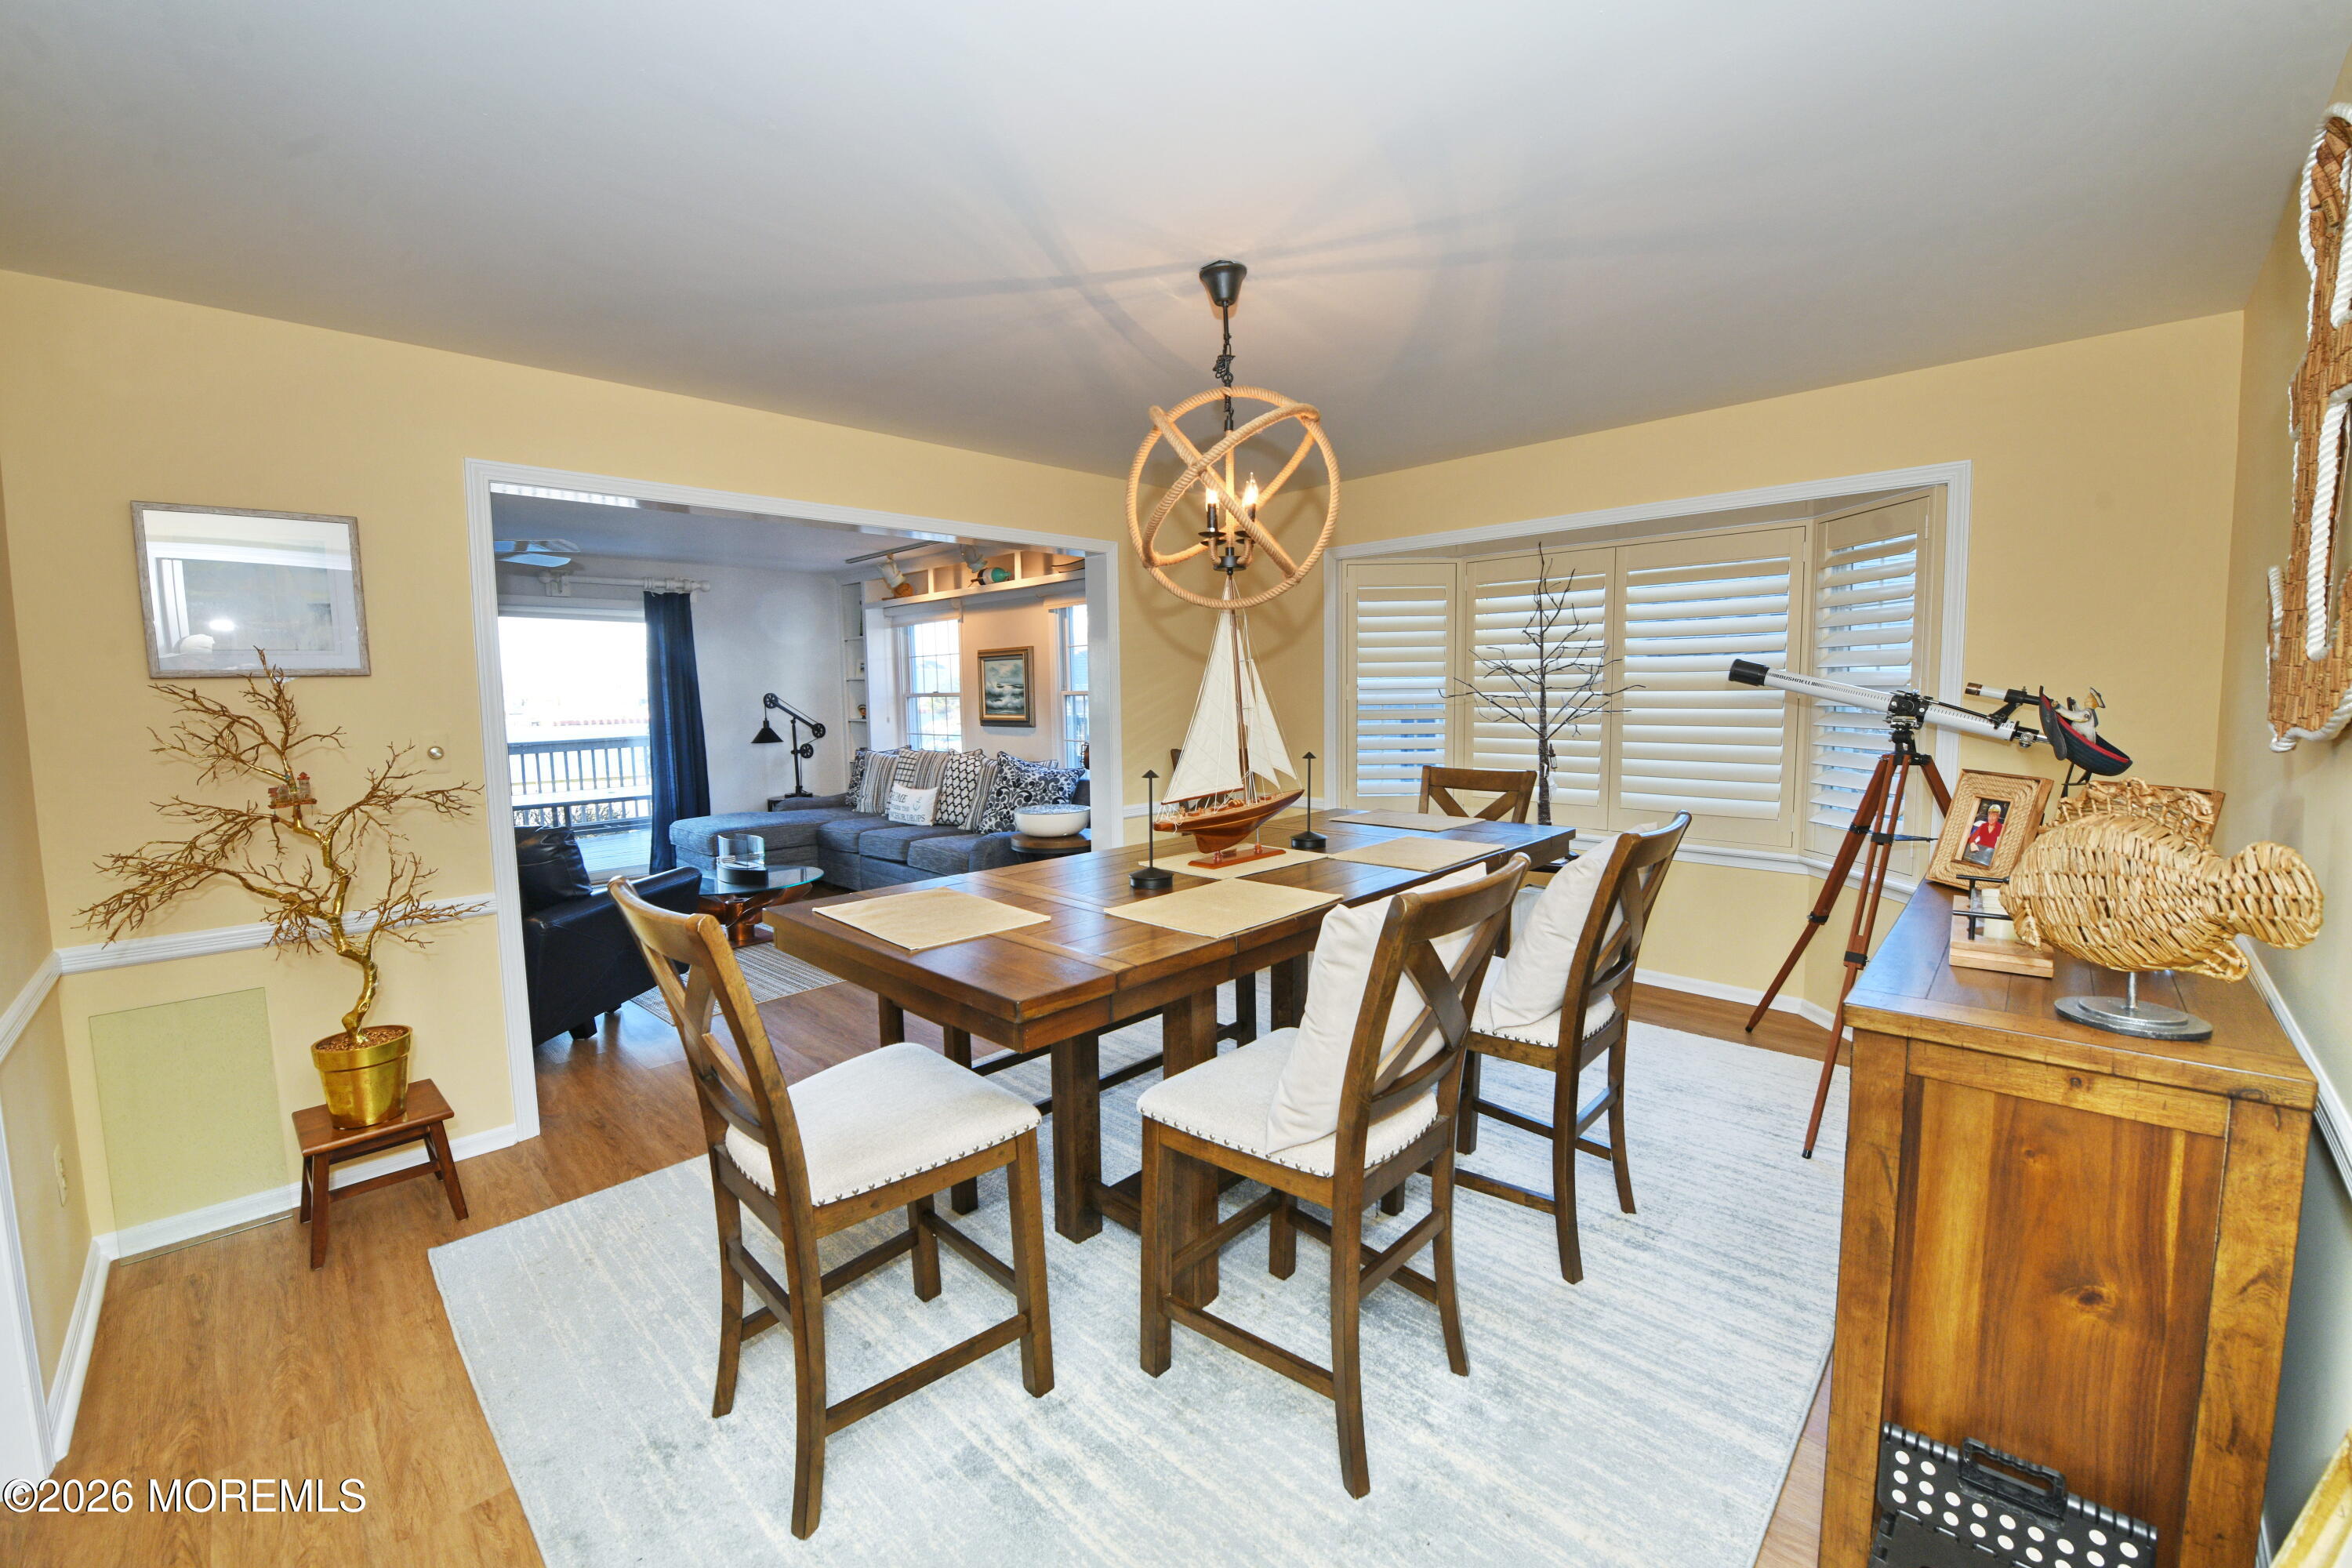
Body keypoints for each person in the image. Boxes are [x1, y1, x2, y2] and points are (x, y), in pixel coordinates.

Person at [1962, 800, 2007, 867]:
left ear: (1998, 817)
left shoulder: (2001, 828)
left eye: (1994, 816)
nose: (1991, 818)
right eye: (1990, 815)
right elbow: (1973, 838)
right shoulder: (1982, 825)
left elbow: (2003, 844)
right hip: (1977, 852)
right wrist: (1972, 843)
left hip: (1989, 856)